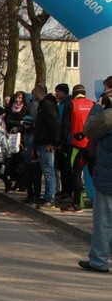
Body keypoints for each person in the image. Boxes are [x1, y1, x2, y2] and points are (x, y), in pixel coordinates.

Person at [78, 76, 112, 273]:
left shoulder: (108, 115)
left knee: (104, 221)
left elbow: (89, 129)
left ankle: (99, 260)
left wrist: (98, 107)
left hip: (108, 176)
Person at [60, 84, 95, 212]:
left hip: (77, 146)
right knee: (94, 173)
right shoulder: (93, 104)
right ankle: (99, 202)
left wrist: (62, 144)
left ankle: (77, 203)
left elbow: (65, 127)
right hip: (92, 146)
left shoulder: (71, 105)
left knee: (76, 173)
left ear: (74, 93)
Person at [32, 83, 61, 209]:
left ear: (38, 91)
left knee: (49, 170)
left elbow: (55, 125)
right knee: (48, 170)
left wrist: (53, 143)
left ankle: (50, 198)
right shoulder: (44, 105)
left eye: (34, 92)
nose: (33, 94)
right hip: (42, 142)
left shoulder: (47, 105)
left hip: (46, 144)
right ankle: (48, 196)